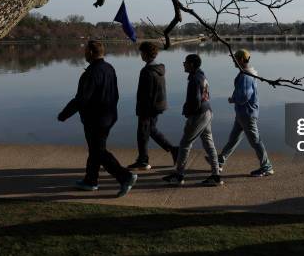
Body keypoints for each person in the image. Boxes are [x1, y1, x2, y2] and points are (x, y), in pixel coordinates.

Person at [58, 40, 137, 197]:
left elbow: (81, 99)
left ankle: (125, 176)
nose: (84, 54)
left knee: (98, 151)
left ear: (92, 53)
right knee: (95, 149)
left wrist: (64, 114)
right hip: (108, 116)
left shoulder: (91, 73)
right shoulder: (109, 68)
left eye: (86, 51)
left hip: (95, 119)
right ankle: (90, 180)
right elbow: (115, 94)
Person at [162, 54, 223, 186]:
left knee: (184, 144)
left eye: (185, 62)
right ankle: (216, 176)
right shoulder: (202, 76)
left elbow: (195, 101)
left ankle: (179, 175)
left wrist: (188, 113)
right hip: (207, 112)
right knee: (208, 144)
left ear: (192, 64)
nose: (183, 64)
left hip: (199, 115)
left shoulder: (194, 79)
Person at [212, 49, 273, 177]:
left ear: (240, 60)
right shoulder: (247, 73)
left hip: (247, 113)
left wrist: (233, 99)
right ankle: (220, 160)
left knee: (255, 141)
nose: (233, 61)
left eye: (235, 59)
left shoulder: (246, 76)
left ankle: (266, 167)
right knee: (233, 139)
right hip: (242, 113)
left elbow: (245, 96)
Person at [128, 41, 178, 170]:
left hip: (149, 107)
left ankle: (143, 160)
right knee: (151, 130)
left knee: (142, 133)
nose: (140, 55)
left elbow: (146, 94)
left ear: (145, 54)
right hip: (158, 105)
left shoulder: (147, 71)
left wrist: (142, 111)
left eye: (141, 53)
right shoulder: (159, 69)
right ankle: (173, 150)